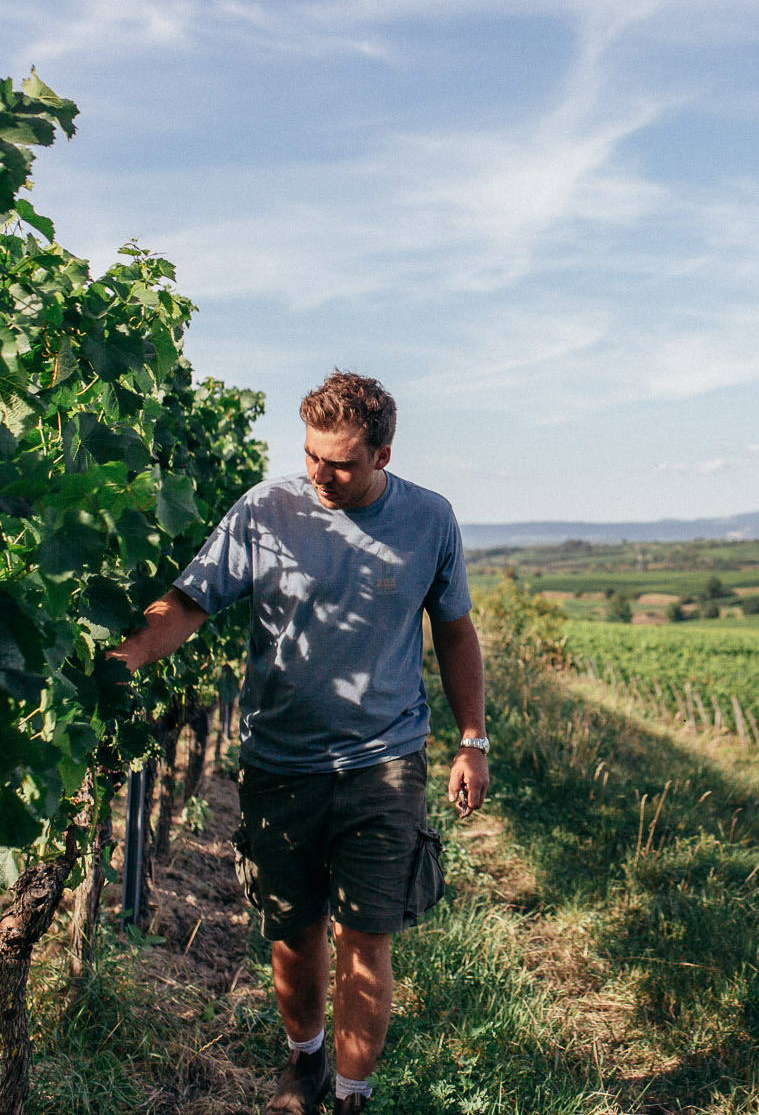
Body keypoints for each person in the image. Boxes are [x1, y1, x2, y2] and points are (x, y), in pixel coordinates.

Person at [110, 371, 488, 1115]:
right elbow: (190, 602)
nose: (322, 473)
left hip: (386, 760)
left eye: (342, 462)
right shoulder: (266, 509)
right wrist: (128, 656)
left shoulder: (429, 520)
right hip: (279, 759)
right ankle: (305, 1058)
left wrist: (471, 739)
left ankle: (351, 1095)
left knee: (366, 935)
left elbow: (454, 630)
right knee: (291, 930)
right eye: (312, 454)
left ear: (383, 453)